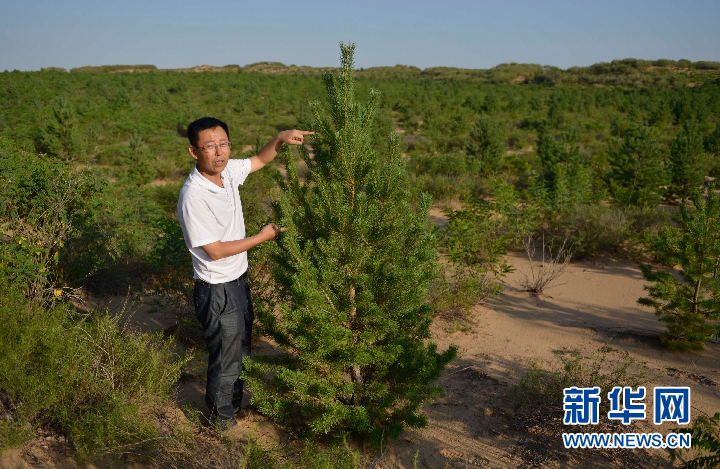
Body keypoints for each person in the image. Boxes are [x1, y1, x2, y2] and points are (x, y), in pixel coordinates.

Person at [177, 117, 312, 430]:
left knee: (239, 352)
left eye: (223, 143)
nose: (219, 151)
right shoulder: (194, 196)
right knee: (226, 359)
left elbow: (259, 160)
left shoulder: (226, 172)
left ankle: (232, 408)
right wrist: (264, 236)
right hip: (217, 291)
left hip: (237, 284)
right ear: (194, 152)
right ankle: (221, 422)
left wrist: (280, 137)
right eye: (209, 146)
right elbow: (216, 251)